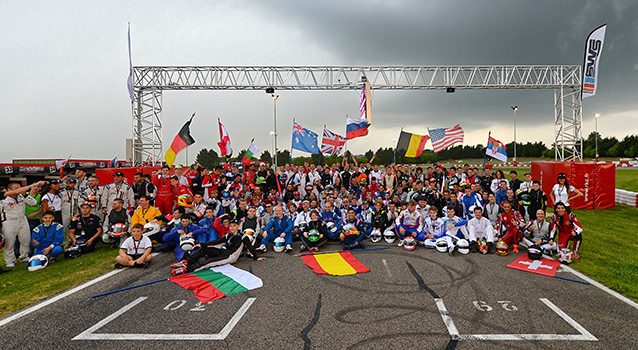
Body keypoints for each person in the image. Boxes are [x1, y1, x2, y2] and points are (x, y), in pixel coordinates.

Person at [170, 219, 265, 275]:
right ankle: (186, 261)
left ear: (238, 226)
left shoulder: (243, 237)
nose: (232, 228)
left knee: (209, 262)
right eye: (230, 226)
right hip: (224, 252)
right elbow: (216, 242)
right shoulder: (229, 235)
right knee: (204, 249)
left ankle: (187, 269)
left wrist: (256, 257)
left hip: (231, 257)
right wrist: (202, 244)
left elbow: (249, 247)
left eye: (234, 226)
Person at [1, 181, 40, 267]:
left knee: (25, 239)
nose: (19, 190)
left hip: (22, 219)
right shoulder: (3, 199)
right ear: (9, 190)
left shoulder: (22, 196)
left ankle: (24, 256)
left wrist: (25, 195)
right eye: (16, 189)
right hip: (9, 221)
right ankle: (10, 260)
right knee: (10, 242)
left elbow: (33, 203)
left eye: (20, 188)